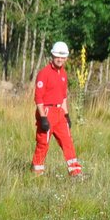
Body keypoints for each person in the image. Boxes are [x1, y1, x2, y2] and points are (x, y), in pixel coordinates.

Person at [32, 42, 82, 177]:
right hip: (47, 112)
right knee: (43, 143)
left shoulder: (64, 74)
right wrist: (43, 118)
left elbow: (63, 97)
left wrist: (67, 115)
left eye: (63, 57)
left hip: (60, 113)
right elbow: (38, 98)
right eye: (57, 56)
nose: (60, 59)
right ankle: (37, 173)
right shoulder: (44, 73)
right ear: (52, 56)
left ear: (66, 58)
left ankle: (75, 173)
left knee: (68, 142)